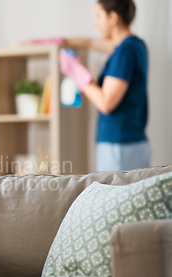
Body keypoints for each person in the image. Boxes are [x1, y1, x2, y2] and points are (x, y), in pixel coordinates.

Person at [32, 0, 151, 172]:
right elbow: (90, 43)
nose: (96, 23)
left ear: (113, 17)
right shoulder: (135, 45)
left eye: (98, 16)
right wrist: (61, 41)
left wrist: (77, 72)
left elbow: (106, 103)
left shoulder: (125, 51)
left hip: (119, 144)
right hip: (129, 143)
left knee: (112, 198)